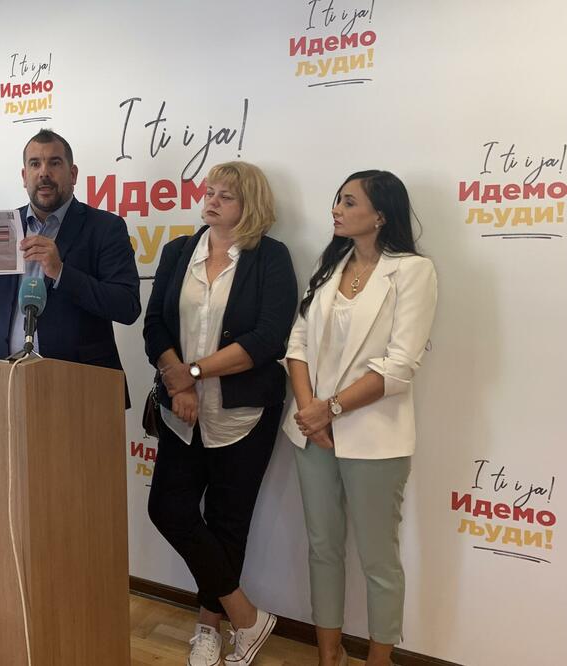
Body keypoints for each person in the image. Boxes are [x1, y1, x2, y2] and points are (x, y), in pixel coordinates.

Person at [143, 161, 298, 666]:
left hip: (245, 415)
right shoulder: (177, 252)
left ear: (250, 206)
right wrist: (178, 381)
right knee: (167, 509)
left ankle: (209, 628)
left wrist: (193, 372)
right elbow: (154, 326)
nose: (211, 201)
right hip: (181, 411)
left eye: (225, 196)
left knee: (228, 522)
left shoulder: (271, 258)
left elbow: (268, 339)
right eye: (209, 191)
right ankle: (247, 617)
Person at [283, 170, 437, 666]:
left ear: (381, 215)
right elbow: (297, 344)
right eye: (338, 200)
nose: (337, 209)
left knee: (378, 560)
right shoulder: (329, 265)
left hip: (374, 439)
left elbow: (399, 366)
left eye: (349, 202)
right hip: (313, 436)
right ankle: (329, 656)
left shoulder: (413, 272)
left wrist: (328, 409)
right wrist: (310, 412)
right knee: (323, 549)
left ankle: (378, 659)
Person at [0, 129, 141, 402]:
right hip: (7, 382)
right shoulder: (2, 227)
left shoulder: (105, 228)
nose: (44, 172)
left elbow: (127, 306)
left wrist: (61, 272)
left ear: (72, 174)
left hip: (81, 391)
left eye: (54, 163)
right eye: (35, 164)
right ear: (24, 177)